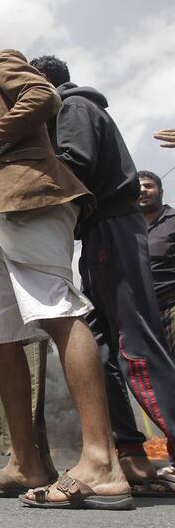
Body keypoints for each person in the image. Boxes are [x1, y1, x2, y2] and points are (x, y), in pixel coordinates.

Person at [0, 10, 131, 509]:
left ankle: (100, 462)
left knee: (59, 313)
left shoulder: (1, 63)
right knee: (1, 340)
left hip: (33, 207)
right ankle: (27, 461)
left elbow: (44, 97)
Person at [31, 55, 175, 497]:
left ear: (44, 84)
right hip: (97, 235)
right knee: (101, 350)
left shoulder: (71, 107)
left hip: (112, 226)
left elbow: (73, 165)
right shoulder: (69, 110)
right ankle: (129, 453)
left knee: (135, 346)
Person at [138, 170, 175, 478]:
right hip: (144, 318)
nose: (142, 191)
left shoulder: (173, 223)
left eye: (148, 186)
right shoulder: (130, 230)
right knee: (160, 386)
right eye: (137, 187)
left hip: (172, 309)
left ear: (160, 190)